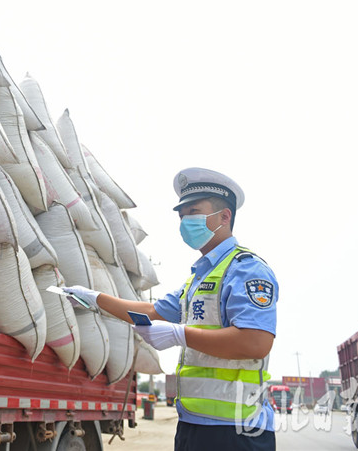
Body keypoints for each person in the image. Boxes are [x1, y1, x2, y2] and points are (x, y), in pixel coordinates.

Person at [64, 167, 278, 450]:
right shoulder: (199, 278)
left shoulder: (246, 270)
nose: (185, 221)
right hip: (193, 424)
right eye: (182, 215)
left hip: (236, 431)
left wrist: (180, 335)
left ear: (224, 217)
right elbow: (152, 313)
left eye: (194, 212)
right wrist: (93, 298)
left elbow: (256, 342)